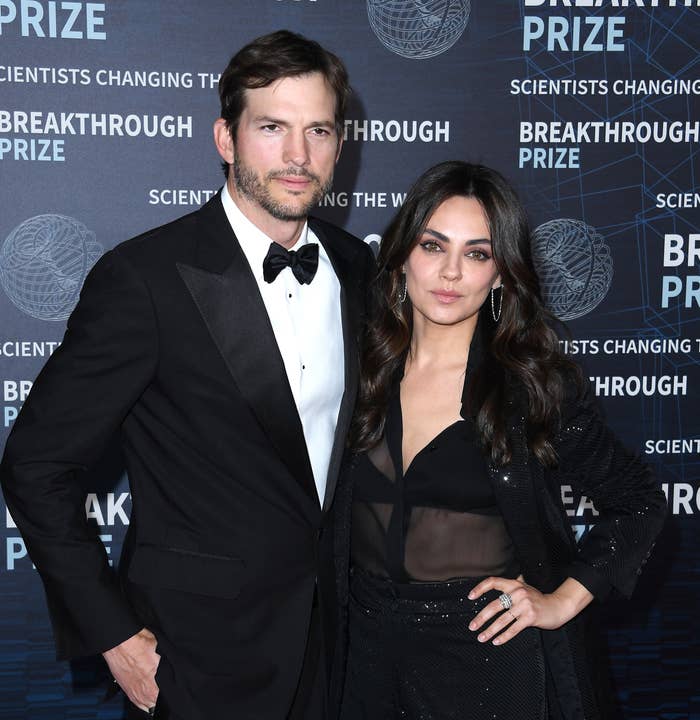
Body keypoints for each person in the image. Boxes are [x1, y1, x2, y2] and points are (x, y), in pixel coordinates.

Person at [0, 30, 374, 720]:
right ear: (226, 139)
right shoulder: (144, 280)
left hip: (339, 650)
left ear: (339, 143)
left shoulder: (359, 269)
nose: (298, 156)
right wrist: (112, 633)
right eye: (272, 128)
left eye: (318, 129)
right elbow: (34, 463)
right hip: (198, 658)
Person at [334, 161, 667, 719]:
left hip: (484, 656)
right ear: (401, 258)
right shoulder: (355, 369)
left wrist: (562, 600)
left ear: (501, 275)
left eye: (477, 253)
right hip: (361, 653)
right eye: (433, 245)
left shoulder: (530, 387)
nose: (450, 272)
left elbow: (638, 503)